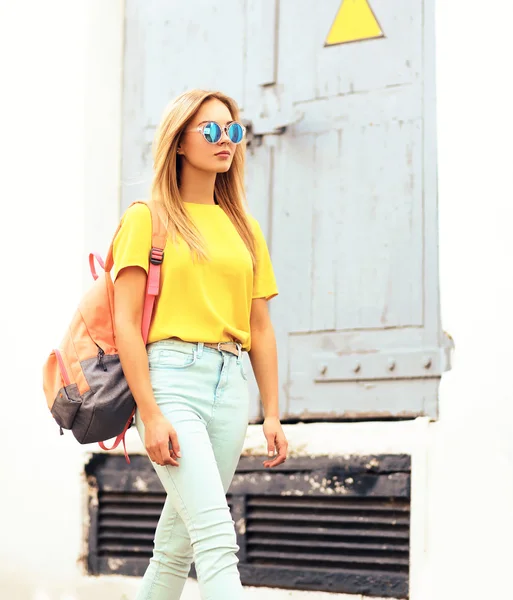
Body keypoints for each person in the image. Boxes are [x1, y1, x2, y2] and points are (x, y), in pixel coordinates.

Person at [112, 89, 288, 600]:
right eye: (211, 130)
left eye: (233, 130)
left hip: (231, 388)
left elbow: (260, 328)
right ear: (180, 143)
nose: (226, 140)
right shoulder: (148, 218)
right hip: (169, 382)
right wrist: (149, 410)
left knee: (176, 548)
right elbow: (126, 323)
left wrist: (272, 413)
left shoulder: (245, 229)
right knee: (216, 539)